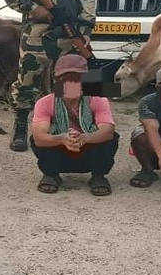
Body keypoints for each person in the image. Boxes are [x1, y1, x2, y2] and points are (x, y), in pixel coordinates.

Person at [1, 0, 96, 152]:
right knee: (28, 80)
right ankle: (21, 126)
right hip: (37, 32)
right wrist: (33, 8)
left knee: (69, 81)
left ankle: (65, 125)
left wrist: (85, 30)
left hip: (68, 32)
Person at [29, 54, 118, 196]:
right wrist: (63, 138)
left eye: (77, 78)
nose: (71, 83)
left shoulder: (98, 99)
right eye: (65, 79)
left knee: (111, 138)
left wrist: (85, 138)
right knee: (35, 139)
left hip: (88, 149)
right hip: (60, 149)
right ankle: (51, 174)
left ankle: (98, 175)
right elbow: (39, 137)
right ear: (56, 80)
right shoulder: (45, 102)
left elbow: (107, 130)